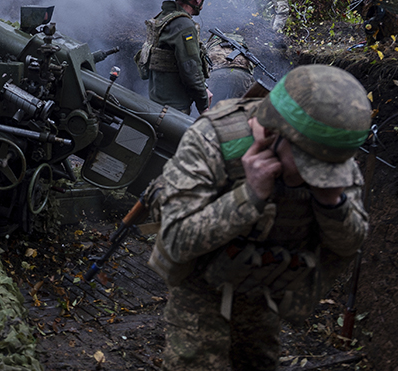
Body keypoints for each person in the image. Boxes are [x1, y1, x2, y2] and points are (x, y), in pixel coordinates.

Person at [143, 64, 370, 371]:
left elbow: (349, 245)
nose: (317, 176)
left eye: (330, 168)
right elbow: (176, 240)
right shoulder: (213, 138)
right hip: (201, 284)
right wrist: (249, 196)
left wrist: (332, 202)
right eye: (308, 164)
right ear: (273, 132)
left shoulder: (330, 151)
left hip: (265, 287)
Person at [135, 0, 213, 114]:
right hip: (174, 109)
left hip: (157, 102)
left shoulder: (164, 17)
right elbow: (191, 69)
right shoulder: (184, 25)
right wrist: (203, 104)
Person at [205, 32, 255, 106]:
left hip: (216, 73)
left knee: (212, 107)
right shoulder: (244, 48)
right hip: (242, 74)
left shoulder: (211, 45)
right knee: (240, 108)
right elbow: (250, 70)